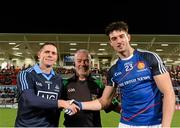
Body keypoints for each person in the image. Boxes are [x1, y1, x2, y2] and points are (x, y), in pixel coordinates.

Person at [71, 21, 176, 127]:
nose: (119, 41)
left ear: (128, 37)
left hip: (153, 123)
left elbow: (169, 93)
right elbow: (104, 102)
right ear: (111, 43)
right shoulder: (113, 70)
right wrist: (80, 104)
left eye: (121, 36)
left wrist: (165, 126)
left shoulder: (149, 58)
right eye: (114, 38)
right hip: (125, 124)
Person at [14, 42, 79, 127]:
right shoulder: (25, 74)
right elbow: (29, 99)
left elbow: (65, 101)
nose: (50, 55)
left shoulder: (58, 79)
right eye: (47, 52)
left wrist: (70, 105)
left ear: (56, 58)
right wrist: (61, 103)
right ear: (39, 55)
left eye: (53, 53)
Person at [62, 49, 105, 127]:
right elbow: (56, 105)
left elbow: (110, 103)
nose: (83, 64)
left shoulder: (98, 84)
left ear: (90, 63)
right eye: (79, 61)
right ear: (74, 63)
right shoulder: (66, 84)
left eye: (86, 61)